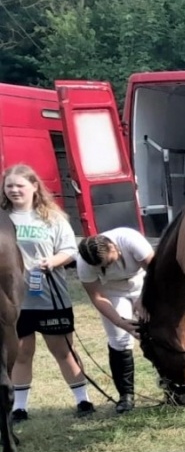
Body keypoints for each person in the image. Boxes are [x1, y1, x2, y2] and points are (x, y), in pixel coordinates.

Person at [2, 165, 94, 420]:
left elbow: (69, 250)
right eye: (9, 185)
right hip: (14, 301)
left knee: (63, 351)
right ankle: (20, 407)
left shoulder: (51, 218)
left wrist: (52, 262)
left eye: (19, 185)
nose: (14, 190)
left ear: (34, 186)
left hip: (49, 295)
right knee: (21, 352)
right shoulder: (3, 218)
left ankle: (83, 400)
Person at [75, 228, 154, 414]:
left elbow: (155, 271)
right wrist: (120, 322)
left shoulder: (130, 239)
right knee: (119, 339)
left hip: (143, 282)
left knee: (156, 332)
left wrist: (144, 298)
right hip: (111, 291)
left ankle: (171, 385)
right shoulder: (83, 263)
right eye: (102, 267)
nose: (108, 267)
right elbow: (97, 297)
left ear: (113, 246)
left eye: (109, 262)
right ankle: (126, 395)